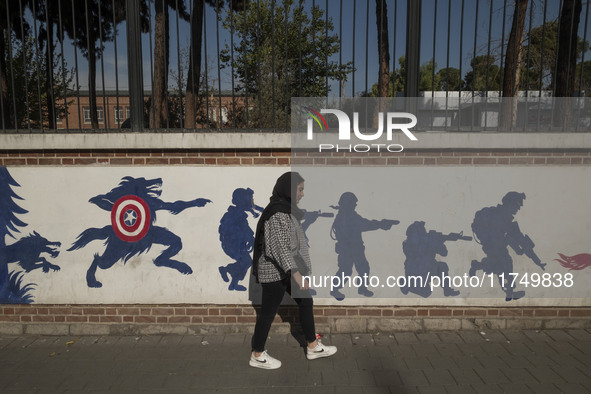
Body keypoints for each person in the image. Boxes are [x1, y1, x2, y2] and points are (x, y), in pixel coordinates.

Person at [249, 172, 337, 369]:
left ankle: (312, 346)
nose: (302, 194)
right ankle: (257, 354)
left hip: (285, 270)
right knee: (268, 312)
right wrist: (296, 275)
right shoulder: (277, 213)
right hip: (275, 271)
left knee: (305, 301)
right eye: (300, 189)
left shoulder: (286, 210)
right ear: (289, 190)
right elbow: (279, 247)